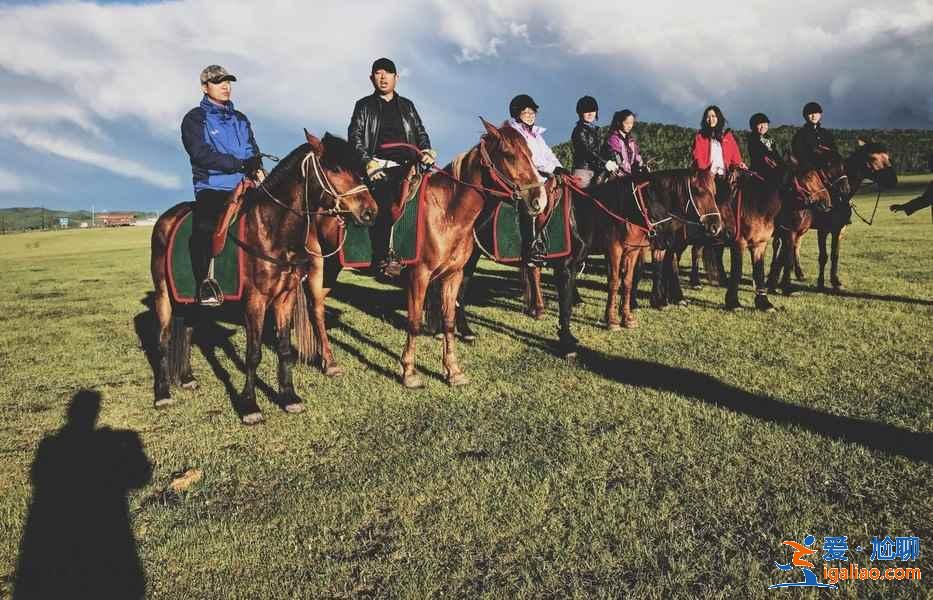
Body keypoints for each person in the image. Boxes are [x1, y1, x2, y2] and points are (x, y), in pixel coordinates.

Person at [181, 65, 262, 306]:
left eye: (228, 81)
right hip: (213, 186)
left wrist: (256, 167)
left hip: (245, 186)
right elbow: (200, 154)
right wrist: (238, 164)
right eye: (218, 82)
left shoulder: (241, 119)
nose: (226, 86)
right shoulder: (195, 118)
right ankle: (204, 282)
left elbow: (252, 150)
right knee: (205, 225)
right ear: (204, 87)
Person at [348, 57, 436, 279]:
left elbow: (420, 132)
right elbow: (355, 138)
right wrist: (367, 162)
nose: (383, 77)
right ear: (371, 78)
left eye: (388, 73)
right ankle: (382, 259)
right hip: (378, 169)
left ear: (397, 77)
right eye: (378, 73)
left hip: (409, 168)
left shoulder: (407, 106)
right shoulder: (364, 105)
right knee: (385, 204)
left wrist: (426, 150)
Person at [505, 94, 570, 266]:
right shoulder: (516, 133)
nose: (530, 115)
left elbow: (548, 153)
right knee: (535, 204)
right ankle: (530, 249)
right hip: (527, 178)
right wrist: (551, 169)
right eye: (526, 112)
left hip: (543, 176)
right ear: (517, 114)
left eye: (532, 112)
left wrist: (559, 167)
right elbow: (531, 159)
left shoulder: (536, 134)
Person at [570, 95, 614, 188]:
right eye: (586, 111)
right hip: (584, 170)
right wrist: (605, 162)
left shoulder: (598, 130)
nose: (590, 114)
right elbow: (586, 151)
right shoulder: (579, 131)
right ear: (580, 113)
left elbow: (604, 148)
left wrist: (611, 159)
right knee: (584, 199)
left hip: (598, 170)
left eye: (592, 110)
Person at [691, 105, 746, 176]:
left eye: (713, 116)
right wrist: (704, 172)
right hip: (707, 178)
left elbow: (736, 157)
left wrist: (739, 164)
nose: (710, 119)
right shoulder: (700, 137)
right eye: (708, 117)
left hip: (725, 176)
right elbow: (697, 157)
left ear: (718, 117)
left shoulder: (728, 136)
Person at [791, 101, 837, 171]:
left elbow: (834, 151)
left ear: (820, 115)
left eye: (816, 113)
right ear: (805, 116)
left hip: (828, 169)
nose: (813, 116)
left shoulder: (826, 134)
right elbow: (799, 154)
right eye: (810, 113)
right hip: (809, 170)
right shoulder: (800, 134)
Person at [602, 109, 646, 177]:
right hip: (616, 174)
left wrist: (641, 164)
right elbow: (618, 160)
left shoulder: (631, 140)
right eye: (626, 123)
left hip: (629, 174)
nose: (629, 126)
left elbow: (636, 157)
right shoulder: (613, 139)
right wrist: (627, 173)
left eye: (631, 123)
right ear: (619, 123)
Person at [746, 112, 784, 183]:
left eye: (765, 124)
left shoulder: (769, 138)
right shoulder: (752, 139)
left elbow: (775, 153)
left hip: (774, 167)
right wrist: (767, 159)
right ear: (753, 126)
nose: (763, 126)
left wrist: (782, 164)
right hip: (760, 170)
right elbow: (757, 155)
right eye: (760, 124)